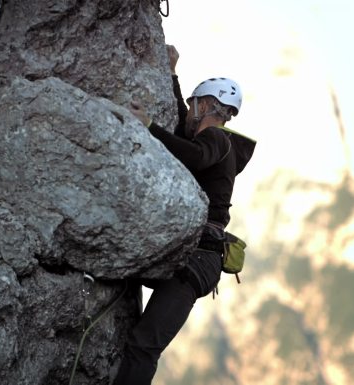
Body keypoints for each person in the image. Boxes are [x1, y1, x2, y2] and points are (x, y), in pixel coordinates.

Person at [113, 44, 256, 385]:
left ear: (206, 105)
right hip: (190, 252)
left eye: (195, 104)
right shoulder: (214, 140)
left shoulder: (218, 141)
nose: (189, 111)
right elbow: (183, 125)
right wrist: (172, 73)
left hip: (197, 262)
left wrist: (148, 125)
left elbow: (193, 155)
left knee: (144, 345)